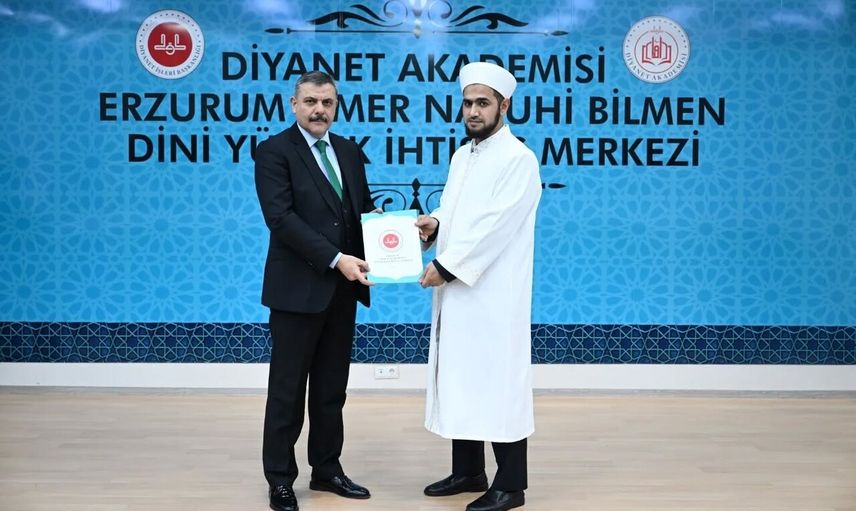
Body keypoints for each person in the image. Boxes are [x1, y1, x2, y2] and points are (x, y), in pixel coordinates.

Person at [415, 62, 542, 511]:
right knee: (462, 378)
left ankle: (511, 485)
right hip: (460, 293)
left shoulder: (519, 160)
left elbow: (494, 228)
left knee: (498, 383)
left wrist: (445, 266)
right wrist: (435, 224)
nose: (472, 111)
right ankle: (469, 471)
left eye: (482, 103)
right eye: (468, 102)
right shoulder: (462, 155)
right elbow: (455, 212)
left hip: (493, 297)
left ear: (504, 106)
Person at [254, 70, 376, 511]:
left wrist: (398, 236)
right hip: (296, 293)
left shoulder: (349, 151)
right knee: (287, 393)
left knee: (330, 390)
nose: (319, 110)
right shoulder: (274, 152)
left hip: (342, 292)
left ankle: (326, 469)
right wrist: (336, 258)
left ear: (337, 105)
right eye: (310, 101)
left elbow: (362, 211)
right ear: (294, 104)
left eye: (327, 102)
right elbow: (281, 219)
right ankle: (280, 480)